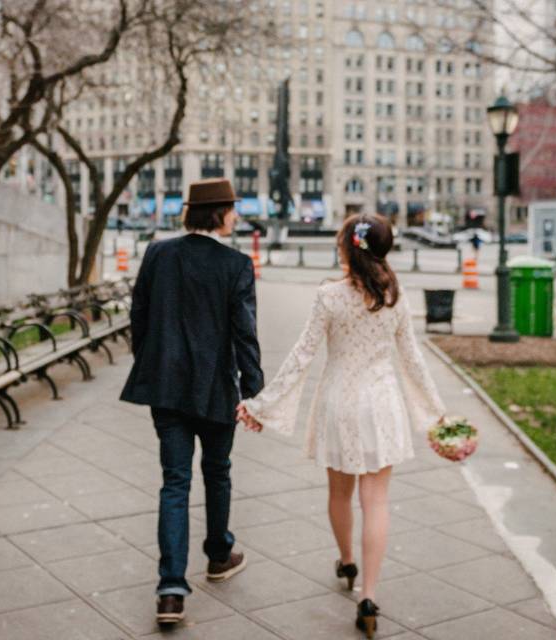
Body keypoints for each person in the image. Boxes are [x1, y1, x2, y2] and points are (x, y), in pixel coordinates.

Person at [239, 214, 448, 639]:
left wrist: (262, 405)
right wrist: (437, 414)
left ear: (347, 247)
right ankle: (368, 596)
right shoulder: (395, 295)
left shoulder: (329, 296)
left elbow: (302, 355)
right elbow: (412, 360)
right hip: (382, 404)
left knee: (339, 493)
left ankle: (347, 560)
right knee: (377, 501)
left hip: (340, 404)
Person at [120, 178, 264, 626]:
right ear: (221, 214)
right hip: (216, 389)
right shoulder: (236, 264)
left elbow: (139, 314)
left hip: (165, 386)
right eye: (232, 209)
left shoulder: (158, 254)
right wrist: (254, 392)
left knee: (175, 482)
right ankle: (218, 555)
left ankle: (170, 589)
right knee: (217, 473)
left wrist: (149, 360)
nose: (236, 216)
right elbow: (245, 332)